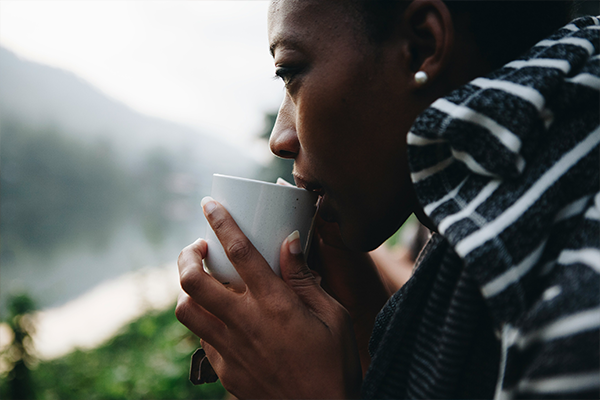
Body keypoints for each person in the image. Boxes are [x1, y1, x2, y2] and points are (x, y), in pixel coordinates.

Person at [176, 0, 599, 398]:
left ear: (422, 46)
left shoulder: (575, 293)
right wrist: (365, 320)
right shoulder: (521, 206)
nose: (279, 140)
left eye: (290, 72)